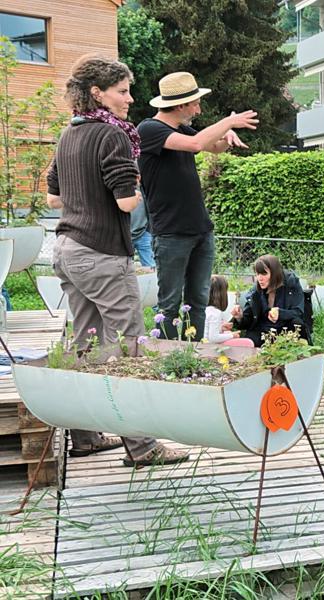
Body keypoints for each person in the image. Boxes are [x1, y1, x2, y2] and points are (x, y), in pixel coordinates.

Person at [46, 55, 187, 468]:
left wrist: (86, 197)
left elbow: (54, 198)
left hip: (68, 251)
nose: (130, 99)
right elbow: (126, 201)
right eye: (122, 91)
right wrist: (136, 192)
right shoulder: (113, 137)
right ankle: (143, 446)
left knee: (84, 342)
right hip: (104, 255)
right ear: (98, 94)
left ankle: (85, 435)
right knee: (131, 347)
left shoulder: (68, 134)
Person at [138, 71, 258, 339]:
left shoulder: (180, 128)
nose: (199, 109)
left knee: (198, 303)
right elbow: (195, 145)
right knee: (169, 305)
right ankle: (168, 359)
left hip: (201, 231)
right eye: (195, 103)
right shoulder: (149, 129)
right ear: (180, 105)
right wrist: (228, 121)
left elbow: (212, 146)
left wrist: (226, 137)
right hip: (171, 233)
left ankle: (195, 356)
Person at [230, 255, 308, 347]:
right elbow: (249, 320)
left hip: (286, 328)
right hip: (264, 330)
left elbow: (299, 312)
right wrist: (239, 317)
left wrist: (281, 314)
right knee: (249, 340)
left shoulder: (291, 284)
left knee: (297, 324)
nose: (260, 278)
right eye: (257, 274)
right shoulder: (255, 291)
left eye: (264, 274)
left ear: (275, 273)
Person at [205, 274, 252, 346]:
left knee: (227, 332)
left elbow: (208, 331)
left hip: (204, 343)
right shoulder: (216, 313)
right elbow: (213, 338)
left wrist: (221, 328)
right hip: (209, 346)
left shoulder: (206, 310)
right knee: (248, 343)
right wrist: (232, 335)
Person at [130, 193, 154, 269]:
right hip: (124, 236)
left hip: (144, 233)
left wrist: (149, 230)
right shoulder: (119, 187)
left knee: (151, 268)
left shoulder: (143, 188)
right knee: (125, 271)